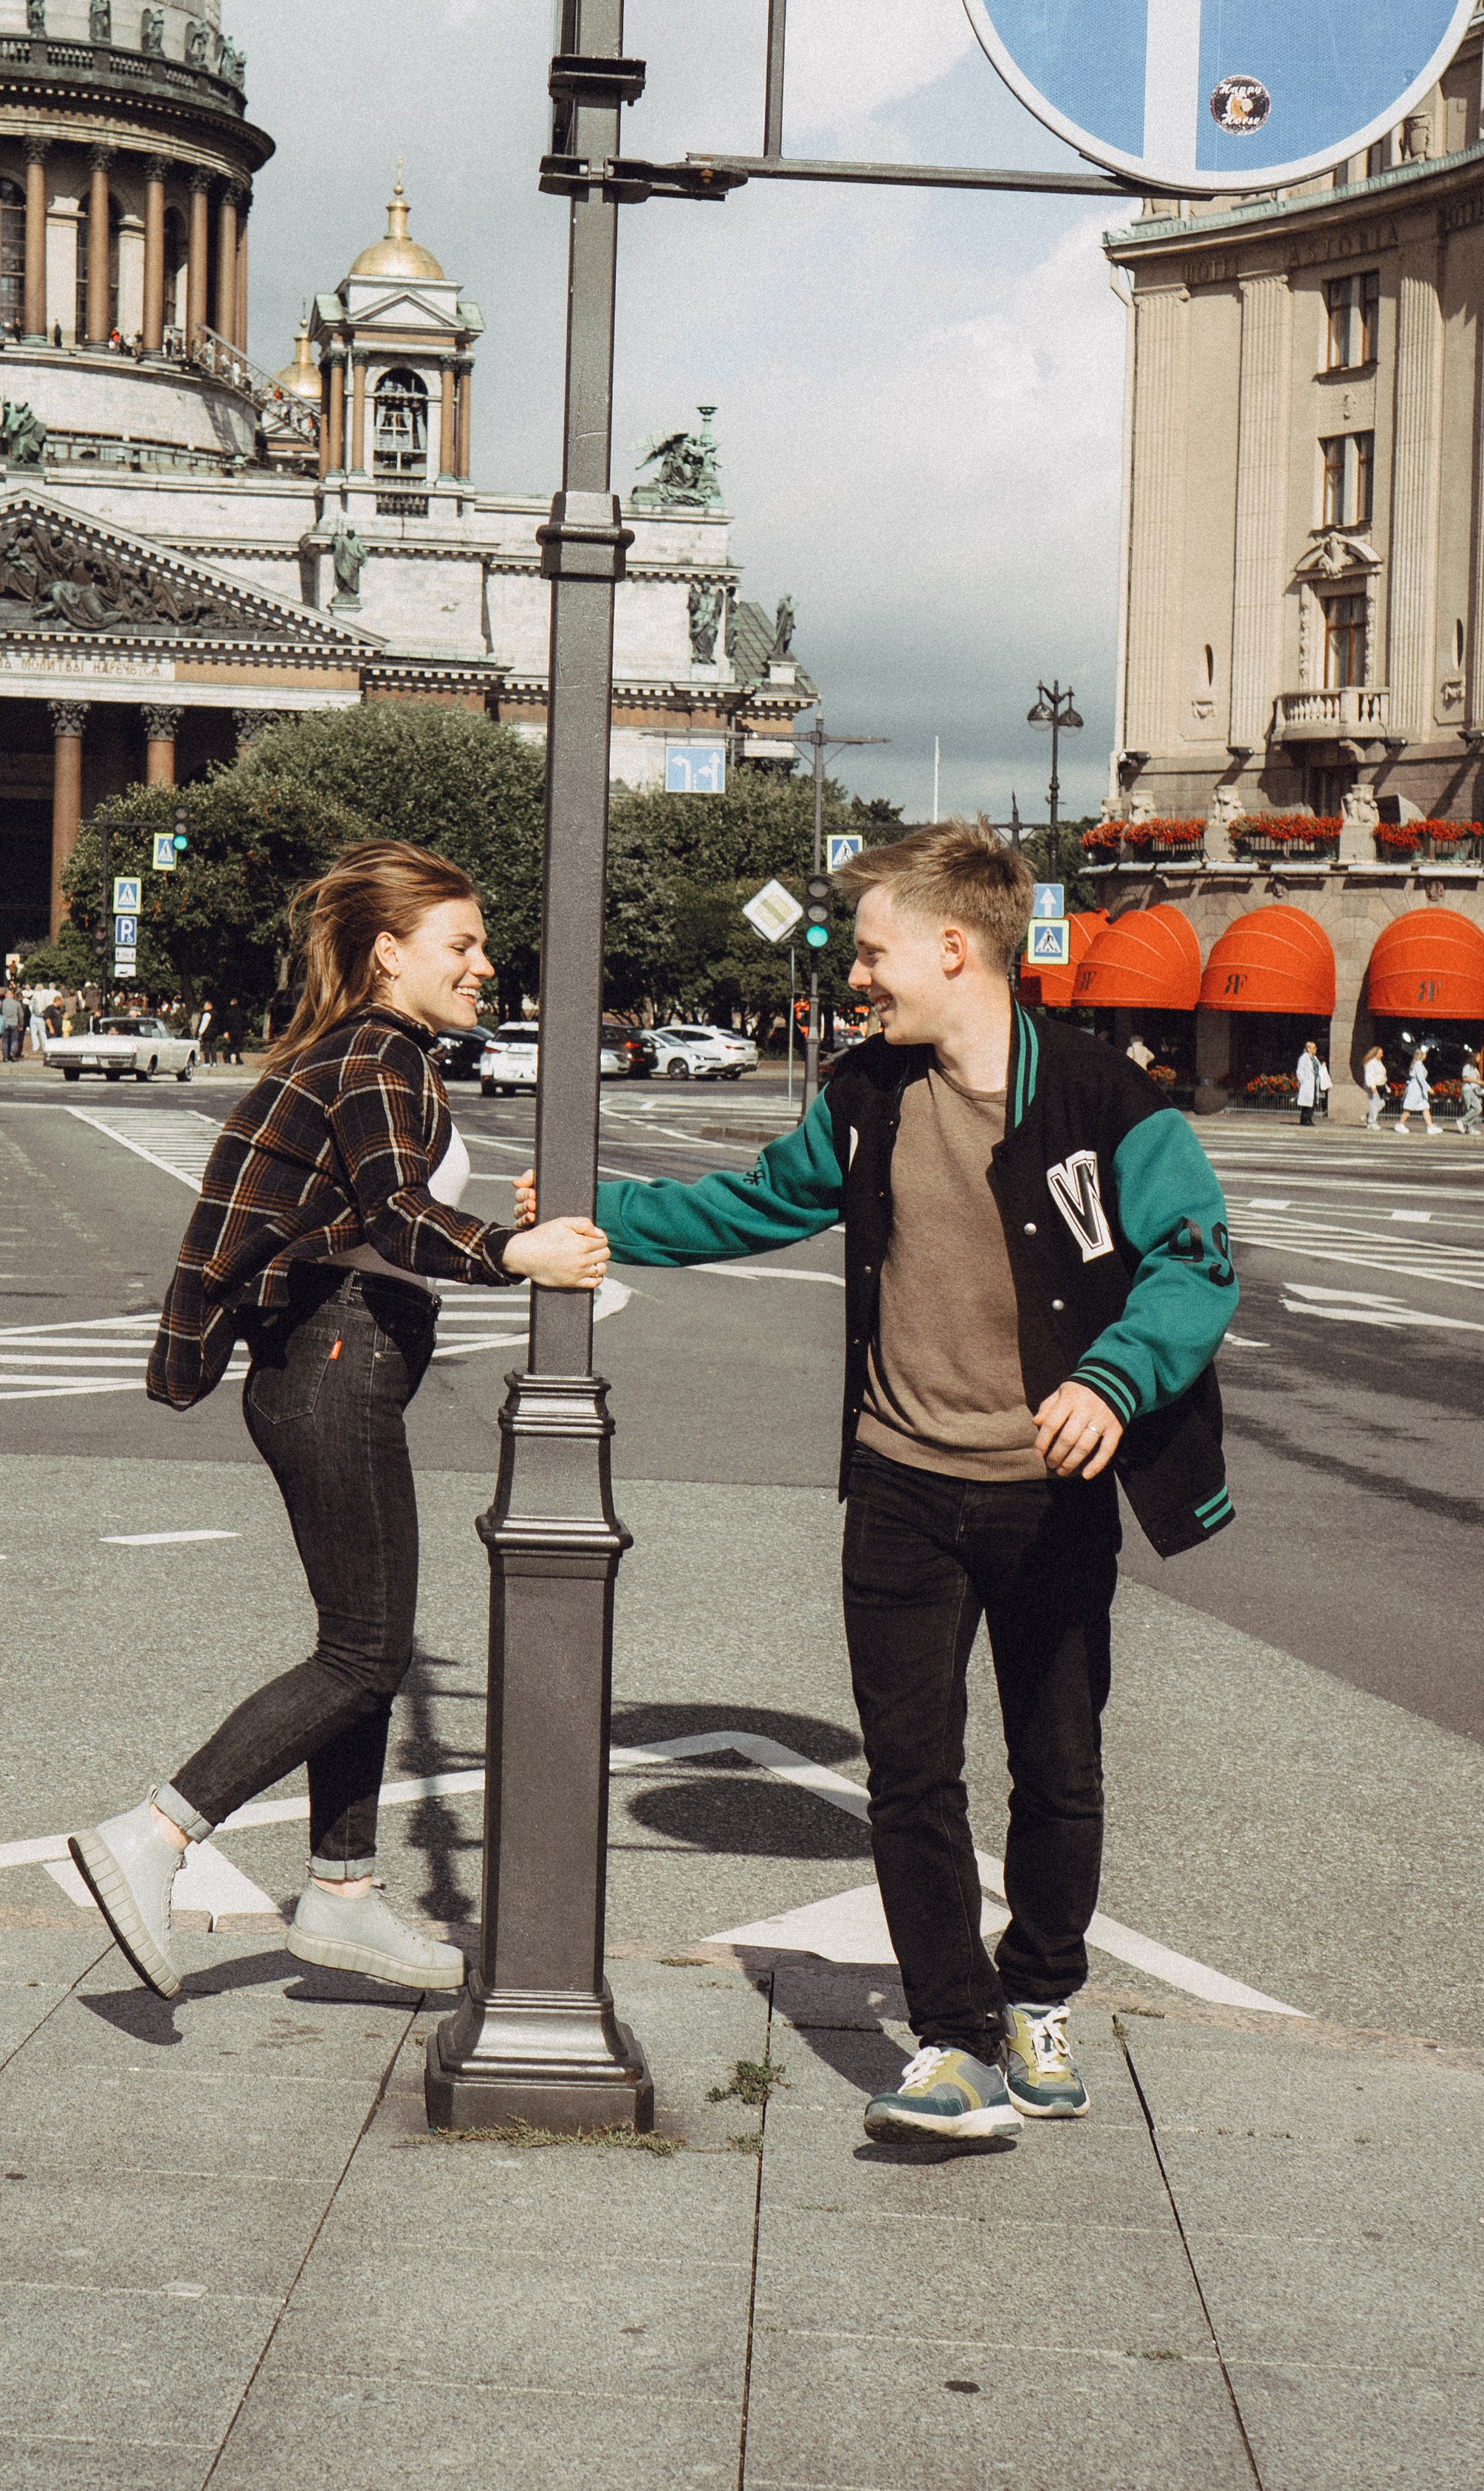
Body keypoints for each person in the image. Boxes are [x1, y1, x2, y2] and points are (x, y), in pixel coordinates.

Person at [534, 821, 1237, 2149]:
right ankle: (956, 2039)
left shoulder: (1106, 1100)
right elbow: (758, 1202)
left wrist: (1113, 1380)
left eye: (872, 953)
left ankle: (1040, 1996)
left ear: (953, 949)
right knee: (912, 1777)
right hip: (903, 1482)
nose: (856, 976)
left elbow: (1195, 1263)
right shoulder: (869, 1093)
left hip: (1048, 1491)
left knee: (1058, 1767)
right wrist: (598, 1217)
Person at [68, 840, 609, 2002]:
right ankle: (153, 1837)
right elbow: (397, 1217)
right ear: (389, 953)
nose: (484, 964)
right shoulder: (378, 1053)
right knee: (366, 1653)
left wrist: (500, 1222)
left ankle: (342, 1892)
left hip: (330, 1361)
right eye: (462, 944)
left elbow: (378, 1209)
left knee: (362, 1646)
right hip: (334, 1359)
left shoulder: (376, 1053)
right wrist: (515, 1253)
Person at [1398, 1046, 1439, 1136]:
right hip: (1415, 1089)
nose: (1426, 1055)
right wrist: (1428, 1088)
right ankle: (1400, 1124)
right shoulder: (1418, 1064)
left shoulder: (1418, 1064)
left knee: (1425, 1107)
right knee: (1409, 1108)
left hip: (1418, 1089)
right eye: (1425, 1054)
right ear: (1422, 1055)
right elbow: (1420, 1078)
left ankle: (1430, 1126)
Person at [1295, 1038, 1323, 1128]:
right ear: (1308, 1049)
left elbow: (1318, 1069)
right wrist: (1303, 1081)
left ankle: (1309, 1118)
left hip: (1314, 1082)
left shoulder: (1315, 1059)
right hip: (1307, 1083)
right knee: (1306, 1102)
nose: (1316, 1049)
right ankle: (1304, 1119)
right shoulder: (1304, 1058)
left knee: (1313, 1101)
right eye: (1314, 1048)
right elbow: (1300, 1071)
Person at [1362, 1044, 1389, 1129]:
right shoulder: (1371, 1063)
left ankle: (1369, 1116)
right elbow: (1369, 1075)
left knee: (1382, 1103)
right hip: (1374, 1086)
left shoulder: (1378, 1062)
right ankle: (1372, 1122)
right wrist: (1373, 1086)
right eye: (1380, 1053)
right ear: (1375, 1053)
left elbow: (1381, 1074)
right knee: (1374, 1103)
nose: (1382, 1055)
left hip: (1380, 1085)